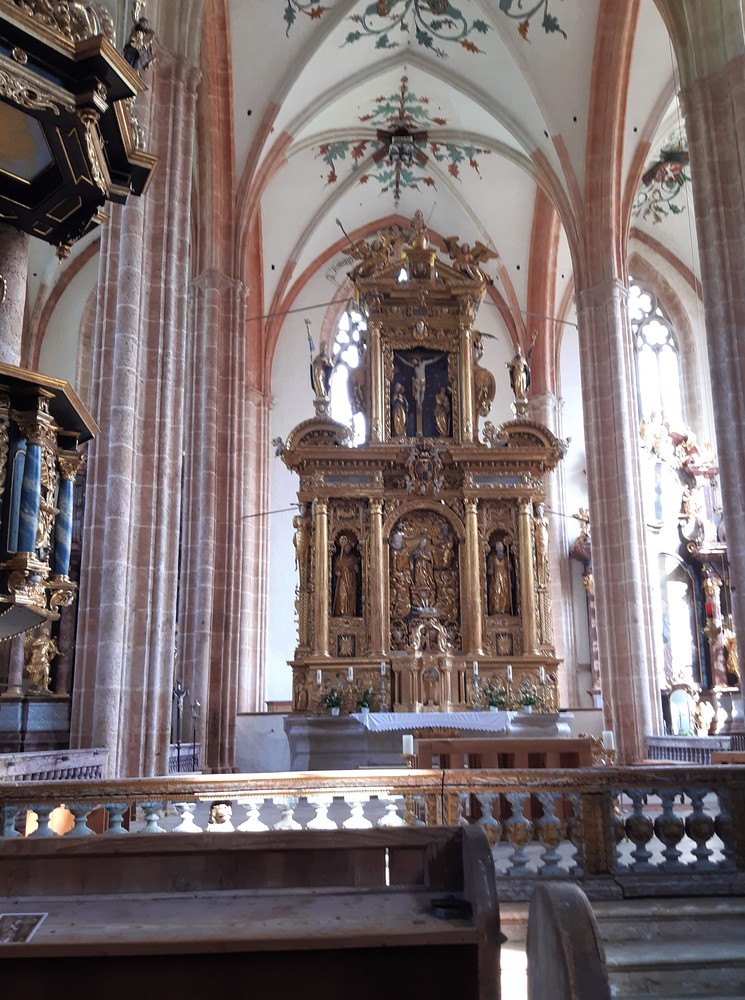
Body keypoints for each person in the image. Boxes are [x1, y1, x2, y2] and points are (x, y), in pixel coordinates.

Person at [332, 535, 359, 616]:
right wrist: (337, 572)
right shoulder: (339, 558)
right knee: (342, 595)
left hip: (351, 579)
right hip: (342, 579)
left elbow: (357, 570)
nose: (348, 549)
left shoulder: (353, 558)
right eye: (346, 547)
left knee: (351, 595)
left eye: (349, 547)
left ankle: (350, 612)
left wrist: (355, 568)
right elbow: (336, 568)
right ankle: (341, 611)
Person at [487, 540, 511, 615]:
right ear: (496, 548)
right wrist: (490, 570)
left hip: (504, 578)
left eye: (501, 546)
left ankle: (505, 609)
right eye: (498, 547)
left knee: (505, 592)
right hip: (495, 578)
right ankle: (496, 609)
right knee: (496, 593)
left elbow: (511, 568)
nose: (500, 548)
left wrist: (510, 567)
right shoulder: (492, 558)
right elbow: (488, 570)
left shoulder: (506, 557)